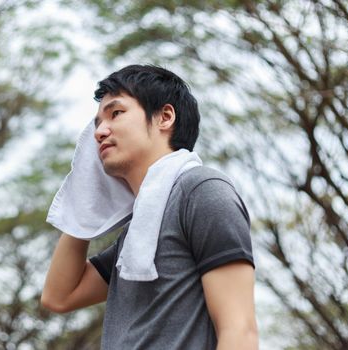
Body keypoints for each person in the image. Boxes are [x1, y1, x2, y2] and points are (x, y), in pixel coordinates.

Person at [41, 65, 258, 349]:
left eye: (116, 113)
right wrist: (85, 197)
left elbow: (240, 331)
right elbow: (59, 296)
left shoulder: (201, 191)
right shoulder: (138, 235)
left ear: (165, 117)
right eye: (96, 125)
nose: (99, 132)